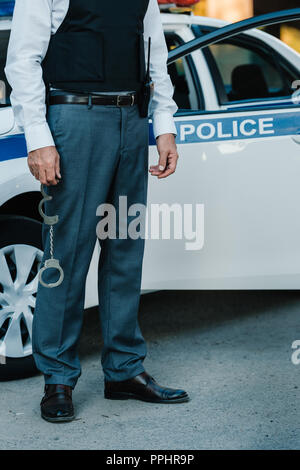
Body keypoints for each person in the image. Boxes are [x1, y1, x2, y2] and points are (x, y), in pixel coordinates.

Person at [5, 0, 189, 423]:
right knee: (66, 254)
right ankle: (58, 378)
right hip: (74, 117)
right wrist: (38, 138)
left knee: (126, 247)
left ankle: (124, 371)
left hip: (131, 118)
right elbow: (23, 60)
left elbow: (154, 57)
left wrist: (164, 127)